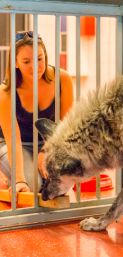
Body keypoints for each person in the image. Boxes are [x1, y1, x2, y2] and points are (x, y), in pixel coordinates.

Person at [0, 31, 73, 194]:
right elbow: (14, 140)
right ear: (15, 63)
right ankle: (11, 175)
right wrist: (20, 180)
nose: (35, 66)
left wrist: (46, 151)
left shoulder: (63, 80)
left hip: (50, 142)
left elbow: (65, 126)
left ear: (45, 56)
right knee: (34, 188)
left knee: (59, 187)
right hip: (14, 145)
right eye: (26, 61)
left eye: (39, 58)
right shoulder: (6, 92)